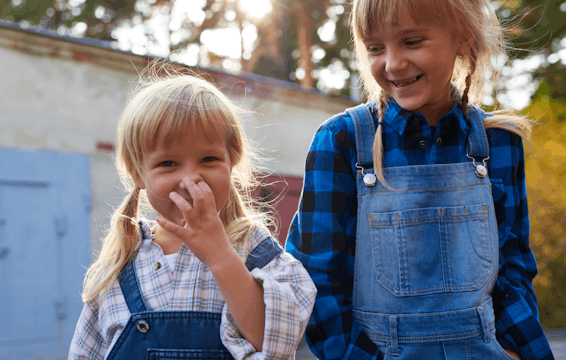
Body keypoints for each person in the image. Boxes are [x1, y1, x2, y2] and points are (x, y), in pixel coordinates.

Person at [286, 0, 555, 359]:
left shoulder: (500, 144)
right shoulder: (341, 142)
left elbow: (513, 273)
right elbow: (316, 283)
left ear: (463, 38)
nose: (393, 63)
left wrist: (522, 352)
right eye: (375, 48)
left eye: (412, 42)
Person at [69, 73, 316, 359]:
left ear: (231, 160)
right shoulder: (120, 263)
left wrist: (219, 255)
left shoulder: (254, 249)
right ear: (139, 174)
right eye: (168, 163)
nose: (190, 179)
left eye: (208, 159)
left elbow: (276, 341)